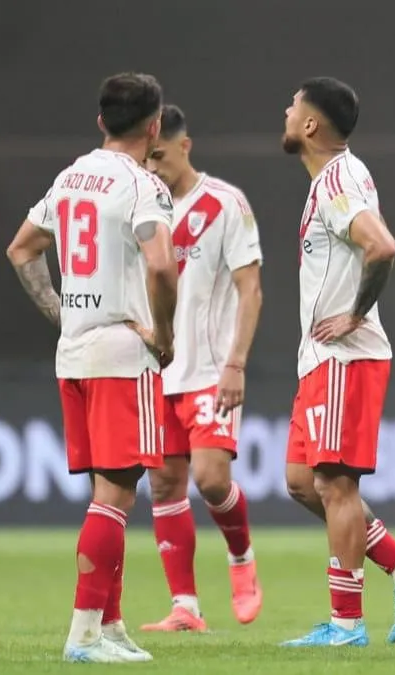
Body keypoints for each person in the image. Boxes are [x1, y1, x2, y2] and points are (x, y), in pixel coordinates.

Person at [5, 72, 177, 663]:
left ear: (102, 121)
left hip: (75, 355)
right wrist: (164, 337)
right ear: (155, 127)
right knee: (115, 495)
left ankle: (110, 624)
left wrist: (62, 314)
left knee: (107, 494)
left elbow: (22, 248)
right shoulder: (142, 185)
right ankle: (82, 635)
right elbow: (161, 265)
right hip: (122, 356)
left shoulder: (70, 177)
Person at [278, 77, 395, 648]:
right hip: (320, 358)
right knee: (303, 482)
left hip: (345, 357)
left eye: (293, 106)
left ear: (310, 124)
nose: (285, 112)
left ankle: (346, 625)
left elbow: (382, 245)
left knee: (334, 484)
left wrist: (354, 314)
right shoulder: (333, 178)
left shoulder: (337, 181)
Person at [137, 104, 264, 631]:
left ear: (184, 146)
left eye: (159, 156)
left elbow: (250, 289)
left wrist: (237, 363)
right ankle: (185, 607)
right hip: (155, 370)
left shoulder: (224, 203)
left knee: (211, 480)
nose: (152, 167)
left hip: (210, 371)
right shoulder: (141, 207)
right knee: (165, 486)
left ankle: (240, 555)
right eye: (146, 158)